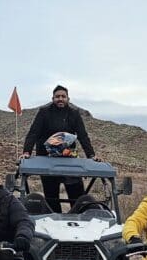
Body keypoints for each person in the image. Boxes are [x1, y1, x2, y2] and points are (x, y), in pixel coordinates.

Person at [21, 85, 99, 213]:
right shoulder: (44, 112)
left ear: (68, 99)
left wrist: (91, 155)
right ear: (53, 98)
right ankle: (54, 222)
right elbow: (33, 133)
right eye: (57, 97)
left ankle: (78, 219)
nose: (60, 99)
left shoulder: (74, 114)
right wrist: (26, 152)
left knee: (77, 194)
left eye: (63, 96)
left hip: (69, 160)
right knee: (51, 197)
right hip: (46, 160)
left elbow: (83, 136)